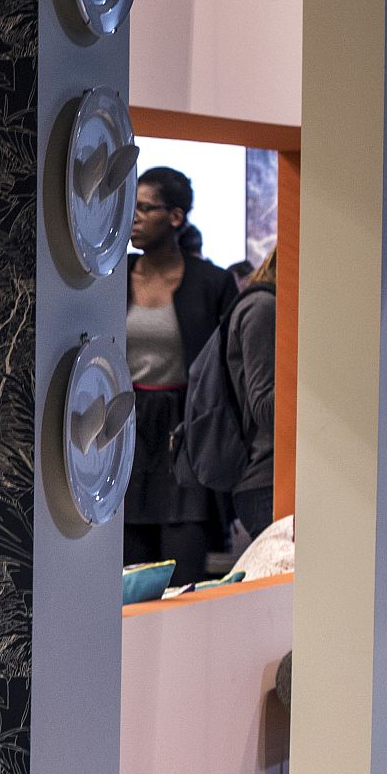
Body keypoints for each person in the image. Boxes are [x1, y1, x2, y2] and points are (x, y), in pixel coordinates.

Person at [124, 165, 236, 584]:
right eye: (129, 206)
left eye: (144, 207)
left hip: (185, 436)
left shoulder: (212, 282)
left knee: (184, 573)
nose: (132, 217)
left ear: (175, 217)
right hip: (125, 433)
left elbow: (228, 369)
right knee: (127, 576)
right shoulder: (110, 280)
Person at [226, 249, 279, 544]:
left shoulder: (265, 305)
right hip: (264, 482)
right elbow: (264, 407)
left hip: (270, 480)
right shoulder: (263, 307)